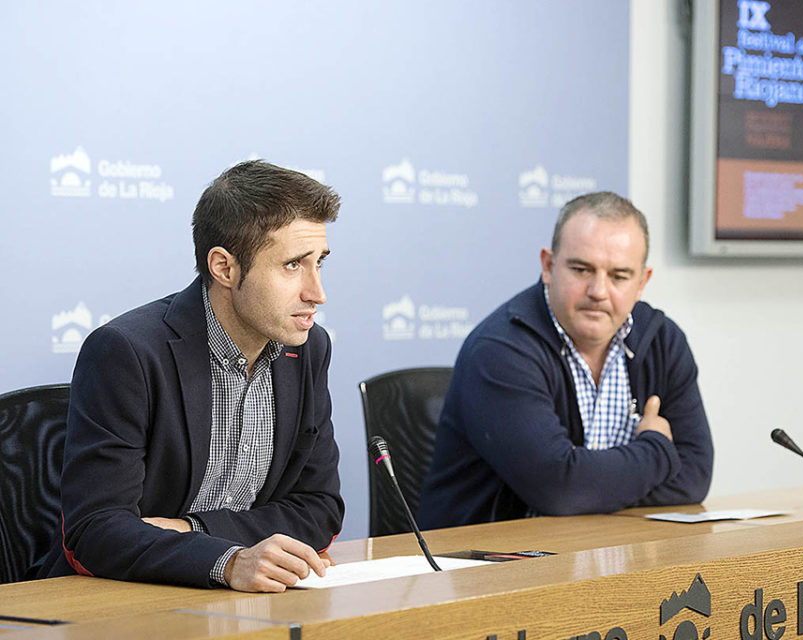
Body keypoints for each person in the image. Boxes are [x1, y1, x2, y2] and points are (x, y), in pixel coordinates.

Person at [39, 161, 345, 591]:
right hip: (115, 600)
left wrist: (193, 530)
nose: (317, 292)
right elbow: (95, 529)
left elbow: (319, 509)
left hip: (248, 602)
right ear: (224, 268)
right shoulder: (127, 352)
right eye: (293, 265)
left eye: (320, 263)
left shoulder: (309, 349)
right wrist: (227, 561)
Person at [418, 192, 713, 528]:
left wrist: (589, 486)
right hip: (485, 565)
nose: (599, 291)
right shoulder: (500, 349)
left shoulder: (663, 341)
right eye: (581, 269)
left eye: (619, 276)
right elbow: (559, 488)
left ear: (642, 282)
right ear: (548, 266)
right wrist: (658, 450)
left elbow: (695, 476)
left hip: (606, 550)